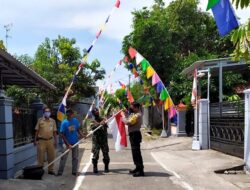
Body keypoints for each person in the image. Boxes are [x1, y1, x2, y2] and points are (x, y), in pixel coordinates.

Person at [57, 109, 84, 176]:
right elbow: (62, 134)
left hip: (75, 142)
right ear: (68, 115)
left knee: (75, 157)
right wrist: (68, 144)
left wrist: (82, 135)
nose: (73, 115)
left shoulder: (75, 120)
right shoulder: (64, 123)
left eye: (72, 114)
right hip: (66, 144)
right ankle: (60, 172)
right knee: (63, 158)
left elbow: (78, 129)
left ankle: (74, 171)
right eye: (71, 114)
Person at [122, 102, 144, 177]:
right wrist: (125, 114)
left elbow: (128, 122)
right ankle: (137, 168)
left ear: (137, 108)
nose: (131, 108)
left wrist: (123, 117)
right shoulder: (134, 114)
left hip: (135, 134)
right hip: (133, 134)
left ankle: (140, 171)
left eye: (132, 107)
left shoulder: (137, 115)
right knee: (134, 153)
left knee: (136, 153)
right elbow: (129, 118)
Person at [34, 107, 57, 175]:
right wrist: (35, 140)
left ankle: (50, 170)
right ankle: (40, 170)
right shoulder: (40, 120)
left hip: (50, 140)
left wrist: (55, 140)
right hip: (41, 141)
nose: (48, 113)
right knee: (40, 157)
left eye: (49, 111)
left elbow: (55, 131)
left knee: (51, 156)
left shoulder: (53, 121)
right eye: (46, 111)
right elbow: (37, 130)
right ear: (44, 112)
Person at [90, 108, 110, 173]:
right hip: (96, 141)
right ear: (93, 113)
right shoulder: (92, 121)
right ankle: (95, 167)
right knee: (95, 155)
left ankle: (106, 167)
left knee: (106, 154)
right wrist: (99, 124)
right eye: (95, 111)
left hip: (103, 140)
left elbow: (107, 126)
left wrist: (105, 122)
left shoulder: (103, 119)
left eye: (97, 111)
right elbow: (92, 128)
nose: (97, 112)